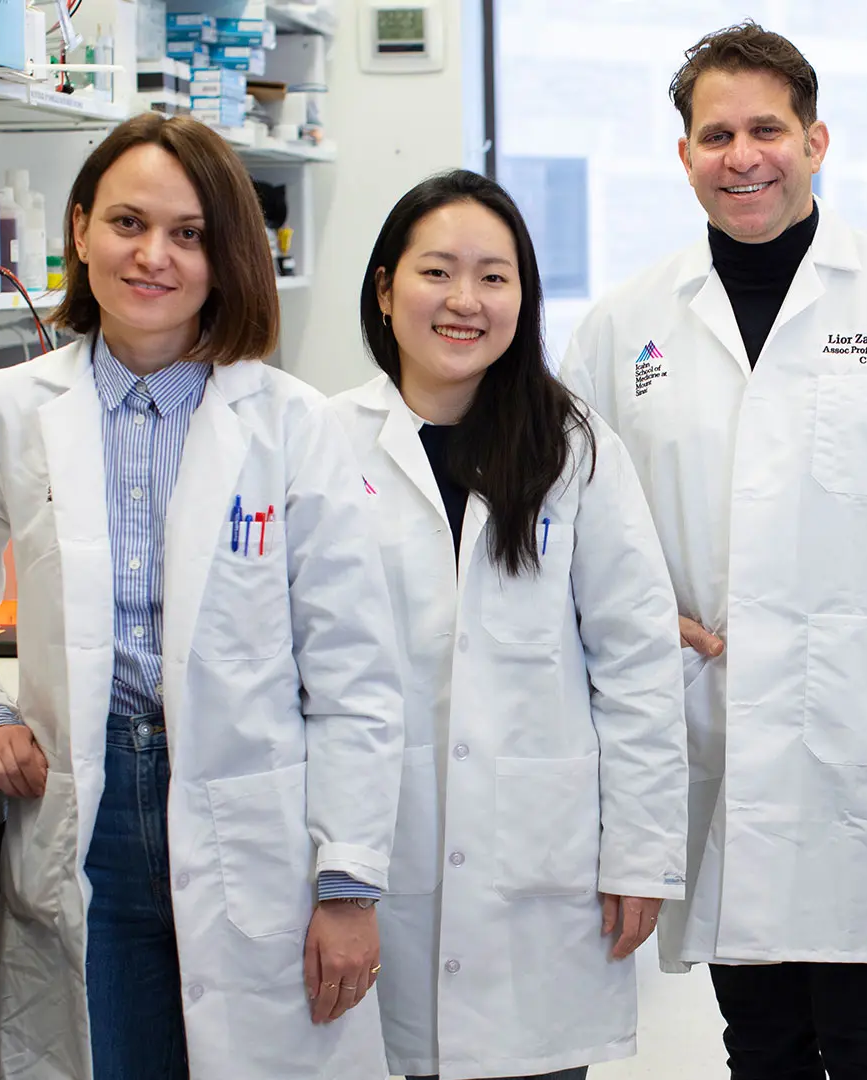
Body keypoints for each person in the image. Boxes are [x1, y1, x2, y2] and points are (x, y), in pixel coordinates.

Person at [0, 113, 407, 1080]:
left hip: (256, 813)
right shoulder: (7, 409)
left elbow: (355, 672)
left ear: (225, 254)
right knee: (106, 1051)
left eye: (189, 232)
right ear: (80, 231)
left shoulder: (288, 423)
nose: (152, 256)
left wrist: (348, 887)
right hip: (88, 808)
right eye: (127, 223)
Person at [558, 21, 867, 1079]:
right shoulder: (627, 326)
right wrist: (630, 624)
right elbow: (573, 530)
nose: (743, 155)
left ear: (817, 140)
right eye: (716, 134)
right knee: (757, 1045)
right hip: (711, 739)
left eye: (768, 128)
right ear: (682, 156)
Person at [329, 170, 689, 1080]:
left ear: (523, 298)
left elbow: (638, 661)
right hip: (371, 851)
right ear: (384, 287)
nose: (465, 301)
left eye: (495, 276)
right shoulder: (321, 445)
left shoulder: (577, 450)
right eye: (437, 272)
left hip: (541, 866)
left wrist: (641, 855)